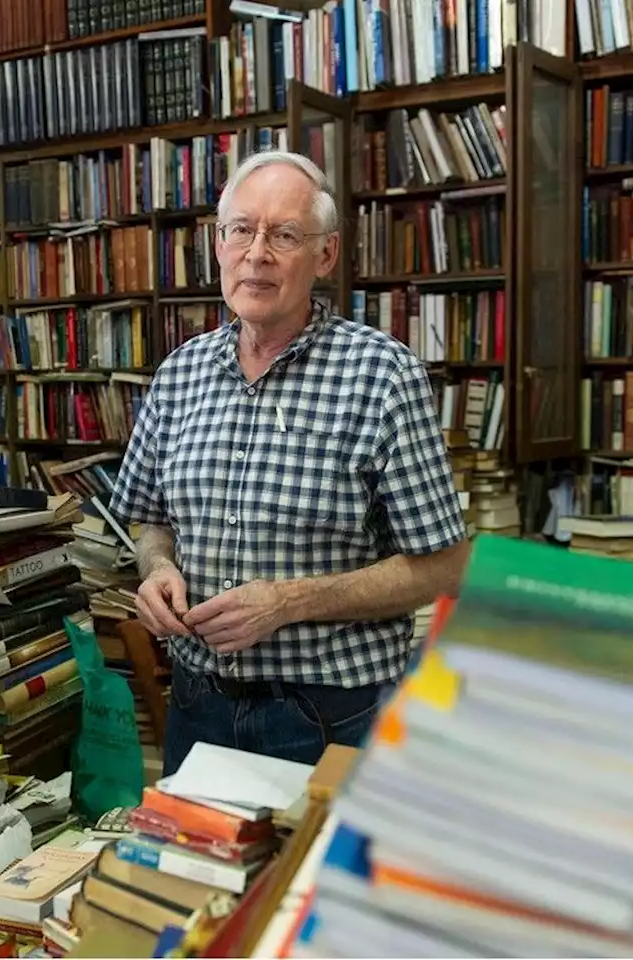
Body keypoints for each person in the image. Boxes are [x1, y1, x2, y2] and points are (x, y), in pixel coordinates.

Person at [109, 150, 469, 773]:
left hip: (333, 716)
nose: (257, 254)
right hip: (198, 711)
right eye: (241, 230)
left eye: (284, 235)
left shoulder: (382, 377)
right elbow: (151, 523)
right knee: (193, 875)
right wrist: (157, 569)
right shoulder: (179, 374)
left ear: (324, 255)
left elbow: (446, 569)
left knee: (319, 876)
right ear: (217, 244)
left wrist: (289, 602)